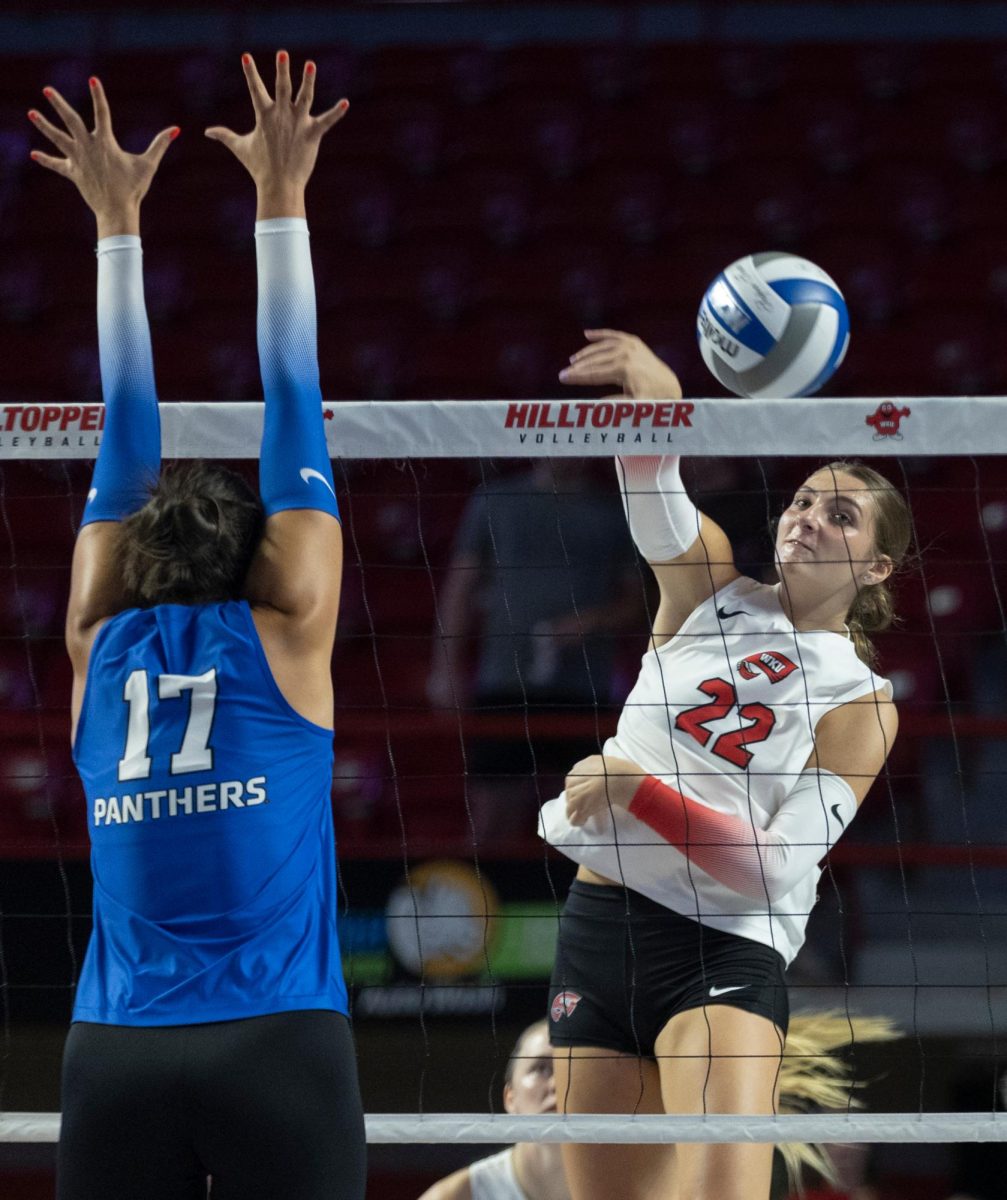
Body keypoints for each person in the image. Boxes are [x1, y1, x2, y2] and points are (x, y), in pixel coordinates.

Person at [30, 53, 366, 1199]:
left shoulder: (92, 643)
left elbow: (120, 428)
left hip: (112, 1053)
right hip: (276, 1042)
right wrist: (282, 198)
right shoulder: (289, 632)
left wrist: (113, 220)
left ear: (123, 567)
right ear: (258, 553)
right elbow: (293, 393)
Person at [538, 330, 910, 1200]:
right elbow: (651, 483)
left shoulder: (861, 702)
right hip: (599, 928)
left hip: (720, 949)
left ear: (877, 566)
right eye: (804, 501)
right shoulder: (709, 588)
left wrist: (637, 790)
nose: (809, 517)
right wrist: (658, 400)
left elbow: (772, 870)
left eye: (840, 515)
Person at [428, 458, 641, 839]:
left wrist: (590, 623)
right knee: (494, 814)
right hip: (504, 684)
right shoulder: (495, 501)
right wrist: (445, 669)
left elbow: (636, 602)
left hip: (581, 690)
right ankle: (487, 896)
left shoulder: (614, 510)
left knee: (581, 821)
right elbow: (460, 589)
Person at [418, 1020, 569, 1200]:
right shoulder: (454, 1196)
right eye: (541, 1068)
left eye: (570, 1069)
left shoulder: (612, 1185)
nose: (556, 1084)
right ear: (510, 1097)